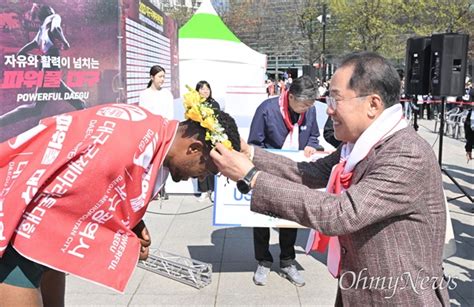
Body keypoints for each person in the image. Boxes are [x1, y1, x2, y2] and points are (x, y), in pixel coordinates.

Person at [211, 52, 449, 305]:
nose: (329, 110)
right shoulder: (357, 146)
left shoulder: (406, 153)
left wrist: (252, 177)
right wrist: (251, 153)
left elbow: (340, 214)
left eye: (335, 99)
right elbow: (310, 173)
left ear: (373, 104)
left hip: (399, 297)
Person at [0, 95, 240, 306]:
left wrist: (131, 223)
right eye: (206, 171)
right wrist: (125, 244)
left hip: (40, 251)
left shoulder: (147, 128)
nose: (200, 178)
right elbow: (58, 220)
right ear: (194, 149)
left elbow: (91, 197)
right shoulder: (123, 150)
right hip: (17, 249)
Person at [248, 75, 320, 287]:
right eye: (304, 104)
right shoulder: (267, 109)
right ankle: (263, 259)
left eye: (310, 104)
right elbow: (254, 143)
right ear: (291, 97)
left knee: (291, 217)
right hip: (268, 173)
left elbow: (314, 135)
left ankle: (288, 259)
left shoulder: (310, 110)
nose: (307, 108)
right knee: (261, 219)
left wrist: (311, 145)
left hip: (295, 173)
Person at [0, 4, 86, 127]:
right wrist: (65, 43)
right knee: (57, 94)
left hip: (46, 65)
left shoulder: (40, 33)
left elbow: (21, 54)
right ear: (50, 12)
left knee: (37, 107)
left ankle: (1, 121)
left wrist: (38, 58)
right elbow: (55, 29)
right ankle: (82, 107)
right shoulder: (54, 17)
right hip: (51, 63)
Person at [139, 65, 175, 199]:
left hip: (164, 131)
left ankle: (161, 187)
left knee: (163, 160)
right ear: (152, 77)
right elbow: (144, 114)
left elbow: (169, 114)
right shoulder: (144, 94)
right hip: (150, 133)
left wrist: (165, 127)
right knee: (149, 160)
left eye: (163, 77)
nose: (162, 79)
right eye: (160, 76)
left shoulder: (167, 93)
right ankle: (149, 188)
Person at [195, 80, 221, 201]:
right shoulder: (194, 105)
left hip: (211, 137)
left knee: (212, 164)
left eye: (207, 89)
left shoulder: (214, 104)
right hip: (198, 138)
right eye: (202, 89)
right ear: (197, 91)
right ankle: (204, 190)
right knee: (200, 164)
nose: (205, 91)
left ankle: (214, 190)